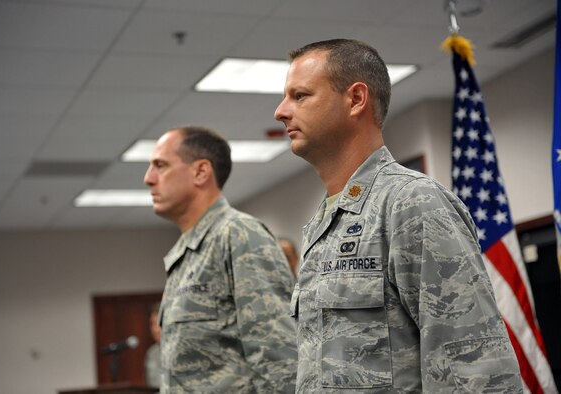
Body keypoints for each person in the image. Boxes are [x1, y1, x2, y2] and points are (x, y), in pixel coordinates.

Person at [274, 39, 522, 392]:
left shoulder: (412, 202)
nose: (281, 111)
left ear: (356, 99)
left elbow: (474, 367)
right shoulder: (324, 222)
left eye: (300, 96)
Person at [143, 126, 297, 393]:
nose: (148, 178)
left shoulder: (238, 234)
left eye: (161, 165)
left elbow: (278, 357)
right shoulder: (186, 251)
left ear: (201, 172)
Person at [144, 302, 161, 388]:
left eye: (158, 324)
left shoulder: (182, 349)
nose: (155, 329)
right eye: (152, 324)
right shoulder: (151, 353)